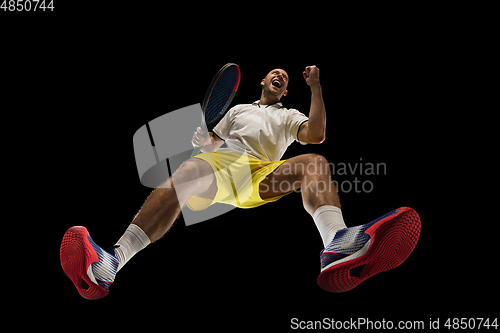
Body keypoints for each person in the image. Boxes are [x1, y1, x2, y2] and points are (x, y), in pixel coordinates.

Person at [60, 66, 421, 299]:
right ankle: (112, 262)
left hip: (261, 175)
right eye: (274, 73)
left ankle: (337, 244)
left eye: (286, 79)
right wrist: (205, 142)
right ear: (263, 82)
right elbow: (213, 145)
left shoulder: (289, 115)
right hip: (223, 166)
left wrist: (316, 87)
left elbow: (316, 134)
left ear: (284, 92)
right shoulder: (236, 111)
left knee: (314, 162)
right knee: (188, 171)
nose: (280, 77)